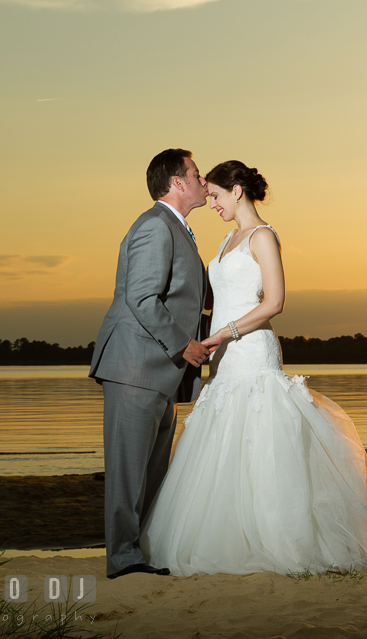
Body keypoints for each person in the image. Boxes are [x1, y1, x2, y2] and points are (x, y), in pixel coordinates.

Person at [141, 161, 367, 576]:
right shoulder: (228, 240)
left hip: (250, 350)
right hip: (223, 359)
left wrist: (224, 332)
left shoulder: (263, 237)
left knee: (262, 442)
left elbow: (274, 303)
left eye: (216, 196)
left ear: (238, 190)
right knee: (225, 445)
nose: (212, 204)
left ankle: (278, 538)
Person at [89, 149, 211, 579]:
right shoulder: (154, 226)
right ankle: (122, 560)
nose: (203, 180)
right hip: (135, 366)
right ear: (177, 182)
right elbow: (141, 297)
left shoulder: (179, 230)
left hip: (162, 372)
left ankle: (138, 552)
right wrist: (185, 346)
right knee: (128, 471)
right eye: (196, 173)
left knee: (152, 472)